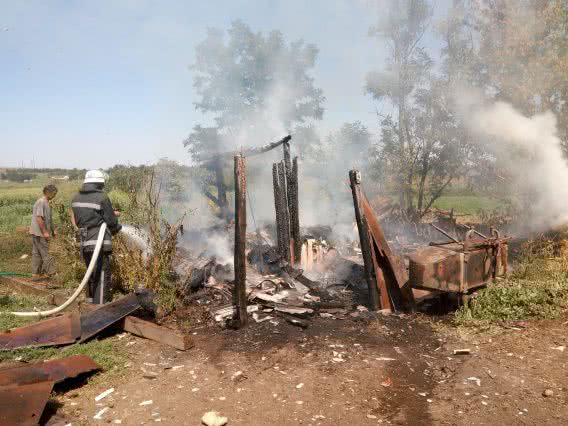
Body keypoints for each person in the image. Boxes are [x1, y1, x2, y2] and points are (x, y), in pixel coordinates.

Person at [71, 170, 122, 304]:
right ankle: (99, 311)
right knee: (101, 275)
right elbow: (111, 222)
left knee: (90, 273)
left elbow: (79, 219)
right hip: (98, 243)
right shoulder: (102, 197)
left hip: (84, 242)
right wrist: (117, 228)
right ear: (99, 184)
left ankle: (90, 304)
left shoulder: (76, 198)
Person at [30, 184, 58, 281]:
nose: (55, 195)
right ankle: (53, 274)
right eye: (54, 193)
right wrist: (45, 232)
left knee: (37, 253)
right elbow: (39, 218)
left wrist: (53, 231)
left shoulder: (48, 203)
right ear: (48, 192)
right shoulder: (41, 202)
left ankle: (36, 274)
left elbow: (48, 219)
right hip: (39, 233)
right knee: (47, 253)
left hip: (37, 232)